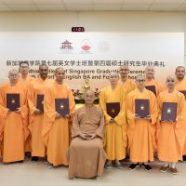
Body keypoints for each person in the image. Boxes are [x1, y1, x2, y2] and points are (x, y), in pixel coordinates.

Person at [68, 90, 106, 179]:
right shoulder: (78, 110)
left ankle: (95, 172)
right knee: (74, 145)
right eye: (87, 96)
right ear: (84, 97)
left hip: (95, 134)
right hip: (81, 133)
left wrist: (96, 134)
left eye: (91, 96)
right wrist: (80, 134)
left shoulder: (99, 111)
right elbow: (75, 124)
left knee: (98, 146)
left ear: (94, 98)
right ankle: (75, 172)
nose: (89, 98)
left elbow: (102, 125)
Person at [43, 68, 75, 166]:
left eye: (62, 73)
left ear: (64, 75)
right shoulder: (49, 88)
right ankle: (53, 160)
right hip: (54, 119)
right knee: (54, 141)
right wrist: (53, 114)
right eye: (59, 73)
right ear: (55, 75)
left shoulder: (67, 88)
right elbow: (47, 104)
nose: (61, 75)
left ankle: (64, 160)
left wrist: (69, 113)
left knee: (64, 140)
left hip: (64, 119)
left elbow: (71, 103)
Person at [126, 74, 158, 170]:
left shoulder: (150, 94)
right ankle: (135, 161)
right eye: (139, 80)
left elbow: (155, 110)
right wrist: (132, 116)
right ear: (135, 82)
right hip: (135, 124)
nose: (140, 82)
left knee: (145, 143)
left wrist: (151, 116)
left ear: (144, 82)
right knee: (136, 143)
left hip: (146, 124)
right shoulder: (130, 95)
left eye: (142, 80)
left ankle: (145, 161)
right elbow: (127, 110)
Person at [157, 75, 186, 174]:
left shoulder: (180, 96)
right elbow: (158, 109)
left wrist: (177, 118)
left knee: (174, 145)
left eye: (172, 81)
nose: (170, 82)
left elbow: (183, 111)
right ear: (166, 82)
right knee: (165, 144)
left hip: (175, 125)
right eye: (168, 80)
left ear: (175, 82)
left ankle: (173, 165)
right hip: (165, 124)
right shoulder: (161, 95)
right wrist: (161, 117)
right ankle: (165, 164)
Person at [0, 69, 28, 163]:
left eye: (16, 75)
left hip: (18, 116)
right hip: (7, 117)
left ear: (18, 76)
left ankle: (19, 157)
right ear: (8, 76)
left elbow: (27, 103)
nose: (14, 77)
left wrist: (22, 109)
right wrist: (4, 110)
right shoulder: (3, 88)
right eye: (12, 75)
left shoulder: (24, 88)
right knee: (8, 138)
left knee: (18, 138)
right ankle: (7, 157)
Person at [99, 72, 127, 168]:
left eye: (115, 76)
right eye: (111, 77)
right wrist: (107, 117)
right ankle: (109, 159)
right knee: (109, 140)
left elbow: (124, 105)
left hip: (118, 121)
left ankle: (118, 159)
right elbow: (102, 106)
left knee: (118, 140)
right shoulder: (104, 91)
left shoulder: (122, 90)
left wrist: (118, 117)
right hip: (109, 121)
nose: (113, 78)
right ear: (109, 78)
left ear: (118, 78)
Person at [28, 64, 51, 161]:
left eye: (45, 70)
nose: (44, 72)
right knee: (36, 133)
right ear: (39, 71)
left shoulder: (52, 83)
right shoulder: (33, 83)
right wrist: (33, 109)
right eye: (42, 70)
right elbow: (29, 98)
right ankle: (36, 153)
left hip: (48, 114)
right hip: (37, 113)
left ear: (48, 71)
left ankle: (47, 153)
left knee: (47, 132)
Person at [18, 61, 35, 156]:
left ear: (28, 69)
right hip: (20, 109)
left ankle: (31, 149)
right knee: (22, 128)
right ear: (19, 69)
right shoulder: (16, 80)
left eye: (26, 67)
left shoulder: (33, 80)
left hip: (31, 108)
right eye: (22, 67)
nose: (24, 69)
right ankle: (22, 149)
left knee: (31, 128)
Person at [175, 66, 186, 160]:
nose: (180, 73)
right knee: (178, 134)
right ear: (175, 73)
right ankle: (178, 153)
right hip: (176, 114)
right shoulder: (172, 84)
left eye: (182, 71)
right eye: (178, 71)